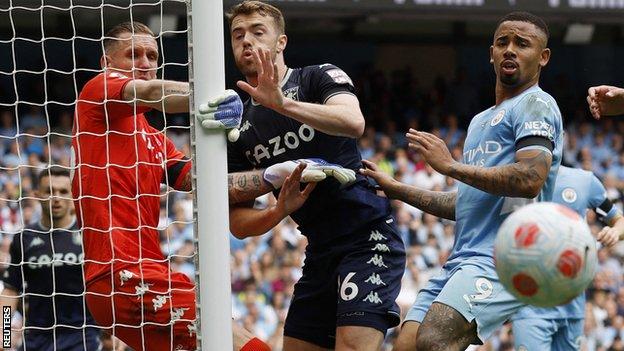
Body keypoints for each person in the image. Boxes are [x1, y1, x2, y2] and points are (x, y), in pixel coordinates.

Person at [71, 21, 333, 351]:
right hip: (122, 274)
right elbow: (151, 94)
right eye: (133, 54)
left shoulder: (155, 140)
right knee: (246, 346)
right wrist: (211, 98)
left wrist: (274, 175)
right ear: (107, 64)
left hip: (143, 273)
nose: (145, 63)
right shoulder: (97, 92)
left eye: (152, 55)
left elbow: (210, 187)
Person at [361, 12, 563, 350]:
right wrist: (398, 189)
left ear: (543, 58)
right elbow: (465, 203)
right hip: (463, 258)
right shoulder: (480, 121)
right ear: (491, 53)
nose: (510, 50)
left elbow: (530, 179)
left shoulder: (536, 104)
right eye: (503, 43)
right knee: (407, 344)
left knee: (434, 339)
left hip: (507, 257)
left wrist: (450, 166)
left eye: (522, 44)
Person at [224, 2, 406, 350]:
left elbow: (353, 122)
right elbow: (238, 223)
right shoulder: (238, 127)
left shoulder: (317, 76)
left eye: (258, 32)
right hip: (319, 251)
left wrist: (282, 103)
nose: (246, 41)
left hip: (367, 238)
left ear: (281, 42)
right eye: (238, 35)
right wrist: (278, 211)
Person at [511, 165, 624, 350]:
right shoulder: (514, 178)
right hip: (531, 303)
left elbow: (620, 221)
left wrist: (614, 232)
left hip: (573, 304)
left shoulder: (584, 181)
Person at [0, 167, 102, 350]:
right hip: (36, 338)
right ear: (37, 194)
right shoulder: (24, 238)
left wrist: (112, 332)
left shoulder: (90, 236)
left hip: (82, 336)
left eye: (63, 191)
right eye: (49, 191)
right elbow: (10, 291)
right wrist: (5, 338)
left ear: (73, 195)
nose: (56, 198)